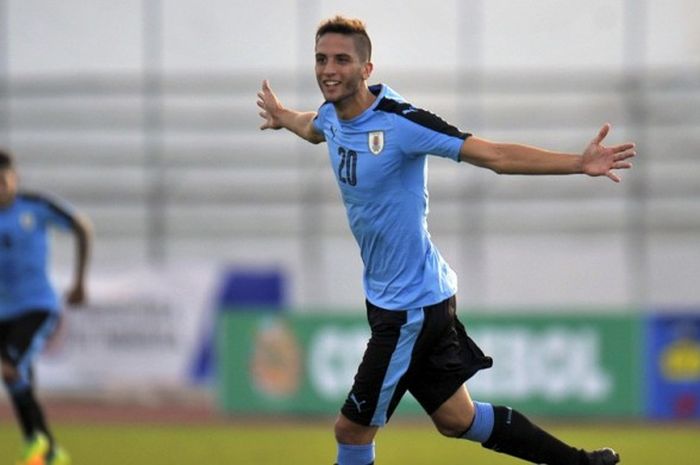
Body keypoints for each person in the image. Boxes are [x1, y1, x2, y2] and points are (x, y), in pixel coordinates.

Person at [257, 16, 635, 465]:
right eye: (321, 59)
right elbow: (312, 126)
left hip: (409, 307)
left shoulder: (402, 122)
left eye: (342, 59)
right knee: (458, 419)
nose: (328, 69)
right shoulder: (330, 118)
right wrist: (282, 117)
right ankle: (582, 464)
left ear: (366, 68)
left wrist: (577, 162)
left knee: (351, 431)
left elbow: (494, 155)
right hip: (400, 297)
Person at [0, 149, 92, 465]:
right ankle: (51, 453)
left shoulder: (35, 207)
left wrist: (80, 282)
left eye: (3, 179)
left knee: (9, 368)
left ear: (15, 178)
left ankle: (35, 441)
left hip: (36, 306)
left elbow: (81, 226)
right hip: (2, 312)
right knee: (18, 376)